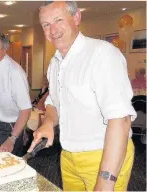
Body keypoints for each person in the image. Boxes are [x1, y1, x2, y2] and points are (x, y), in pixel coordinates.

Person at [28, 1, 137, 191]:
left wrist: (105, 180)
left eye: (58, 20)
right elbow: (54, 101)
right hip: (69, 155)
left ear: (77, 17)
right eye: (46, 24)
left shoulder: (102, 54)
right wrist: (48, 123)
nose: (52, 30)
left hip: (104, 155)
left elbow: (120, 120)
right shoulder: (55, 62)